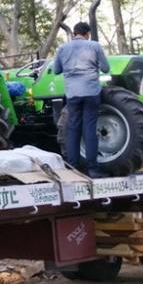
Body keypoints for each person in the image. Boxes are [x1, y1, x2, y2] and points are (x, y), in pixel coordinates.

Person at [51, 22, 110, 177]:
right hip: (91, 92)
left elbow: (56, 70)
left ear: (74, 33)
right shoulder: (95, 46)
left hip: (73, 94)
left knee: (73, 129)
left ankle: (73, 168)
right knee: (89, 128)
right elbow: (106, 69)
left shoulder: (62, 48)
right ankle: (93, 169)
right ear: (87, 34)